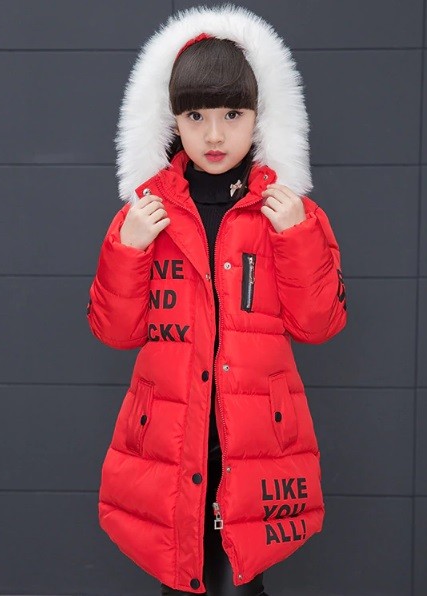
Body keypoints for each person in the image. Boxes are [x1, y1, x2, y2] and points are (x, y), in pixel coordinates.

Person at [86, 4, 348, 596]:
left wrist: (297, 237)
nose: (213, 135)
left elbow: (320, 325)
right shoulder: (144, 215)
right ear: (171, 119)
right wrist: (128, 249)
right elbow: (115, 332)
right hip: (169, 438)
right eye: (195, 115)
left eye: (232, 114)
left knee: (237, 583)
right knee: (180, 580)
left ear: (261, 116)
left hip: (254, 440)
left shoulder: (286, 213)